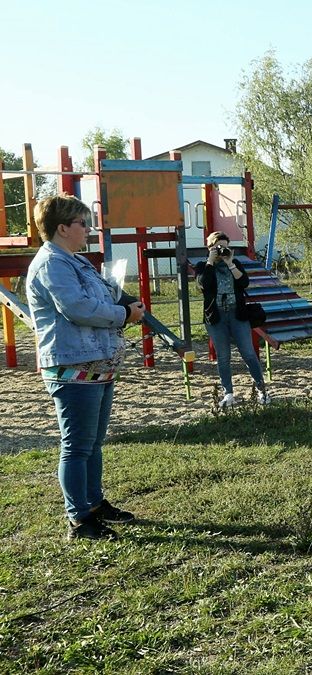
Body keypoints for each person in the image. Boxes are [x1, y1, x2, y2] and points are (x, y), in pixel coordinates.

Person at [25, 194, 145, 540]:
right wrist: (124, 314)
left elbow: (103, 296)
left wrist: (125, 302)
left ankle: (93, 504)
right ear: (62, 228)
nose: (87, 230)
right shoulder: (51, 264)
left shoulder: (75, 261)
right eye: (82, 223)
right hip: (72, 366)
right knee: (76, 445)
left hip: (97, 364)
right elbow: (78, 308)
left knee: (93, 443)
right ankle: (79, 519)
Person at [195, 231, 269, 408]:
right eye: (217, 247)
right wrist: (211, 261)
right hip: (216, 316)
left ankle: (262, 390)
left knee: (249, 353)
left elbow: (244, 283)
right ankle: (228, 393)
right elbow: (203, 285)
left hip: (238, 314)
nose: (221, 250)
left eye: (224, 247)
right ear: (210, 247)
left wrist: (229, 263)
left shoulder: (234, 263)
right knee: (223, 357)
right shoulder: (203, 265)